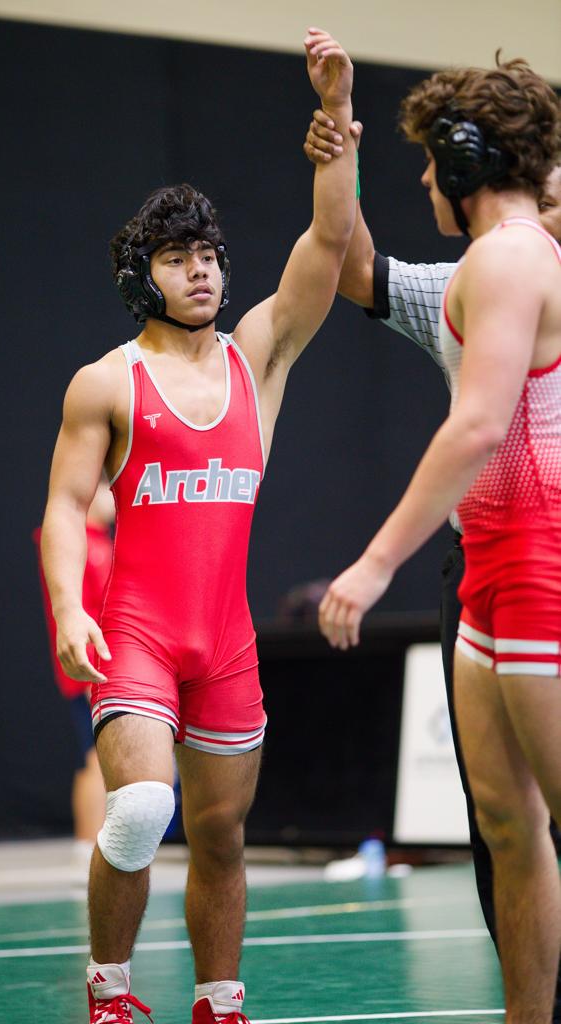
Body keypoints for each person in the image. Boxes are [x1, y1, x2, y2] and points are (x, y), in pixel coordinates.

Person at [40, 28, 357, 1024]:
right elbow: (63, 507)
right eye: (178, 259)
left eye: (210, 256)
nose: (203, 272)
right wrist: (68, 609)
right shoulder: (106, 382)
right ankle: (109, 987)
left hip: (224, 644)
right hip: (134, 634)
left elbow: (326, 247)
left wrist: (336, 121)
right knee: (141, 811)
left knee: (220, 834)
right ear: (143, 277)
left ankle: (219, 998)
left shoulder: (254, 359)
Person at [313, 57, 561, 1021]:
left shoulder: (509, 258)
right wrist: (336, 135)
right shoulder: (482, 265)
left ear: (465, 163)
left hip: (539, 560)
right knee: (505, 825)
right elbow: (350, 266)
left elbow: (477, 425)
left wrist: (374, 564)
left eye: (429, 161)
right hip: (493, 568)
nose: (422, 180)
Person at [33, 477, 114, 866]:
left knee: (103, 758)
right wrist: (87, 670)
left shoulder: (104, 543)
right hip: (89, 670)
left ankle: (99, 845)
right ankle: (86, 846)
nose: (116, 498)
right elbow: (81, 612)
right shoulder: (78, 546)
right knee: (96, 758)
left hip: (105, 667)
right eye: (109, 488)